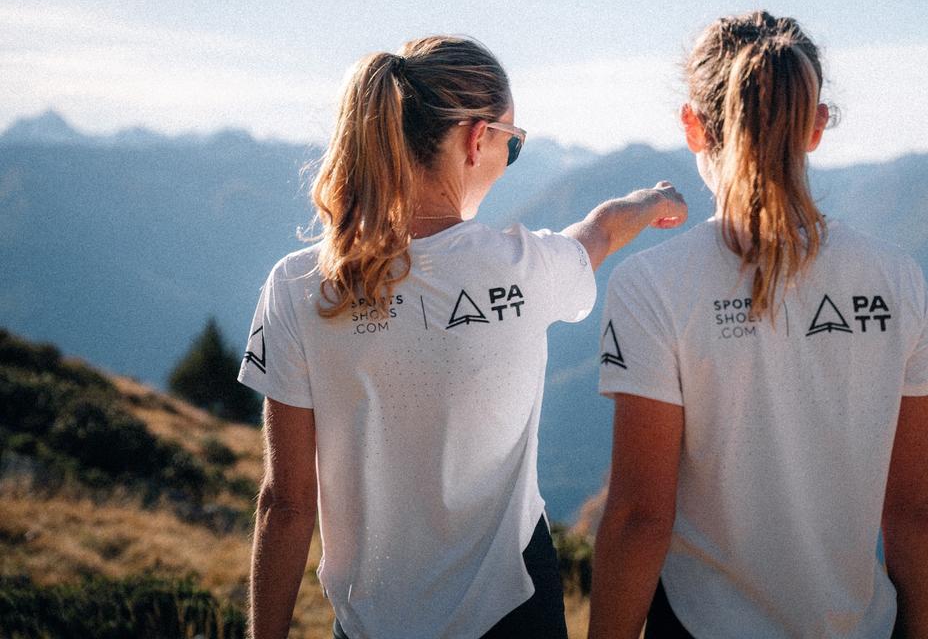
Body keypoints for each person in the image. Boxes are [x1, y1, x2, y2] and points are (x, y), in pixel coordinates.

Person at [236, 35, 687, 639]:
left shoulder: (297, 286)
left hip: (371, 622)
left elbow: (285, 504)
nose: (509, 157)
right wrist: (654, 199)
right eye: (514, 144)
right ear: (477, 139)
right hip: (514, 608)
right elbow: (601, 232)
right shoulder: (525, 269)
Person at [589, 11, 928, 639]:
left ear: (693, 126)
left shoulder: (652, 287)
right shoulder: (898, 279)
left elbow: (640, 517)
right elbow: (913, 506)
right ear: (816, 127)